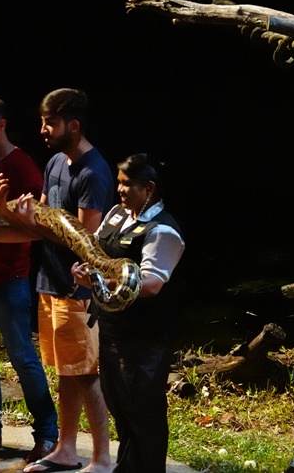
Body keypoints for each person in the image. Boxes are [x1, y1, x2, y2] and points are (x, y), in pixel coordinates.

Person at [0, 88, 116, 473]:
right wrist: (3, 216)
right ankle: (65, 448)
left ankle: (102, 458)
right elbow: (44, 223)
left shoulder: (94, 172)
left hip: (77, 288)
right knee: (65, 373)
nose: (43, 129)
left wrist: (14, 216)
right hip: (49, 281)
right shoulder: (56, 162)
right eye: (43, 121)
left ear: (73, 125)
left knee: (87, 375)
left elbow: (83, 242)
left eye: (51, 123)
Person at [70, 153, 185, 472]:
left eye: (127, 185)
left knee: (143, 414)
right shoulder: (118, 215)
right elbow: (96, 249)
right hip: (112, 330)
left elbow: (150, 284)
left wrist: (97, 279)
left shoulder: (163, 231)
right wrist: (88, 271)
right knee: (119, 406)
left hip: (145, 340)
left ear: (149, 189)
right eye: (119, 183)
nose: (119, 190)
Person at [0, 96, 59, 463]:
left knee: (23, 358)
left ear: (0, 126)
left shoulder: (21, 167)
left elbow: (36, 231)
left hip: (9, 280)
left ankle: (47, 433)